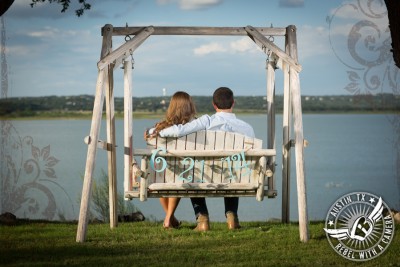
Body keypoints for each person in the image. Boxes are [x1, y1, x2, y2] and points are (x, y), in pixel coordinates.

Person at [158, 87, 255, 231]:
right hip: (238, 178)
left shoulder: (206, 122)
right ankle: (232, 217)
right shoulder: (247, 128)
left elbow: (178, 130)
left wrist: (155, 131)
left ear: (214, 105)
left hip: (205, 178)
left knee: (193, 173)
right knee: (232, 171)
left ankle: (202, 219)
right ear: (233, 103)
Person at [144, 91, 197, 229]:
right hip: (183, 171)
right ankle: (169, 219)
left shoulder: (160, 127)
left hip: (160, 173)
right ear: (189, 106)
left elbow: (150, 134)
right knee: (177, 174)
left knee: (166, 175)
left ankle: (170, 218)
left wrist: (152, 131)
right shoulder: (194, 126)